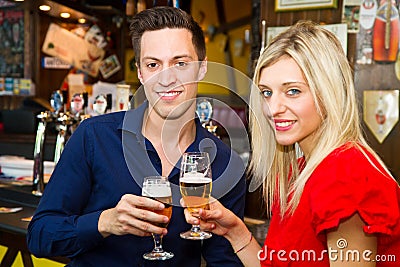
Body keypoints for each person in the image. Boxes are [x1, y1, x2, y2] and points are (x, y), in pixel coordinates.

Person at [27, 6, 246, 267]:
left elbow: (224, 260)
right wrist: (105, 222)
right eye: (153, 64)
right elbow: (40, 235)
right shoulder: (93, 137)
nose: (167, 78)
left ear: (201, 68)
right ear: (140, 73)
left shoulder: (224, 163)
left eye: (180, 63)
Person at [183, 20, 400, 266]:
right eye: (267, 92)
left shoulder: (345, 174)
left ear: (328, 93)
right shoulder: (299, 170)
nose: (273, 109)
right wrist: (235, 231)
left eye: (293, 91)